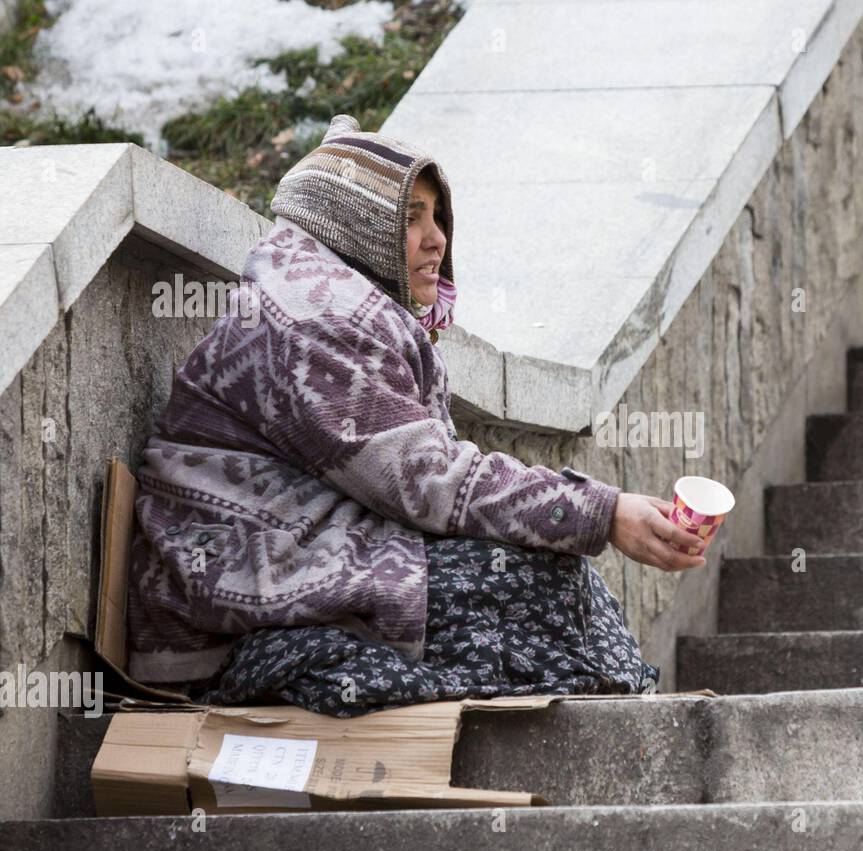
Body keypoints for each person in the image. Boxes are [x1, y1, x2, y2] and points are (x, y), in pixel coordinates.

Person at [125, 114, 705, 716]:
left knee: (544, 578)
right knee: (531, 581)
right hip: (222, 605)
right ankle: (634, 721)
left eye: (437, 217)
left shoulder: (335, 305)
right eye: (411, 218)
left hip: (285, 557)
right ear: (357, 226)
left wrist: (596, 516)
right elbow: (431, 483)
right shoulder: (313, 319)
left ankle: (631, 714)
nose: (437, 240)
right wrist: (601, 512)